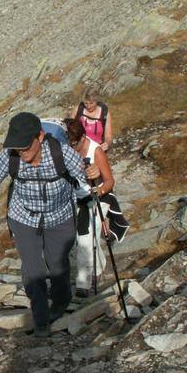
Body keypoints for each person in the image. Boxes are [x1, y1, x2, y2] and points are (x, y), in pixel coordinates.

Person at [0, 113, 99, 337]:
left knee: (58, 267)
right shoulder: (10, 156)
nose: (21, 151)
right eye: (16, 147)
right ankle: (41, 320)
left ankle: (61, 301)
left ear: (40, 137)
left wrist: (93, 173)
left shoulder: (61, 153)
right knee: (33, 269)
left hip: (60, 217)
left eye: (25, 146)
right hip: (23, 217)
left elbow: (85, 175)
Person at [64, 118, 129, 297]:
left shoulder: (96, 151)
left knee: (85, 237)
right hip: (76, 199)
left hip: (99, 197)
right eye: (67, 143)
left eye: (73, 143)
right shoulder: (65, 150)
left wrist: (97, 190)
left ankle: (83, 282)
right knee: (83, 238)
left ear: (83, 137)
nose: (70, 147)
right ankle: (98, 268)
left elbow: (109, 182)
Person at [70, 86, 113, 152]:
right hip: (79, 149)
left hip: (97, 149)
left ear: (96, 101)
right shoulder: (78, 110)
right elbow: (69, 128)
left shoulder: (105, 113)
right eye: (86, 103)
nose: (88, 106)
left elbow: (108, 136)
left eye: (91, 103)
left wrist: (107, 144)